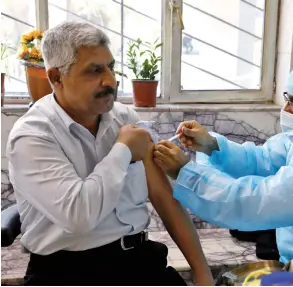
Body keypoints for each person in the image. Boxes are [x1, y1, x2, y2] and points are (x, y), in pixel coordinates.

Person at [6, 21, 213, 286]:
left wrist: (202, 274)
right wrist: (123, 149)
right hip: (66, 273)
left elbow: (164, 198)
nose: (110, 80)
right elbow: (79, 216)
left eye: (110, 67)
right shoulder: (33, 136)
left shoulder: (123, 117)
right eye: (94, 70)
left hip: (139, 261)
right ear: (56, 78)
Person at [153, 55, 293, 286]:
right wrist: (213, 146)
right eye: (287, 99)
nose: (285, 110)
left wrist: (186, 173)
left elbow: (253, 202)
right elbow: (261, 158)